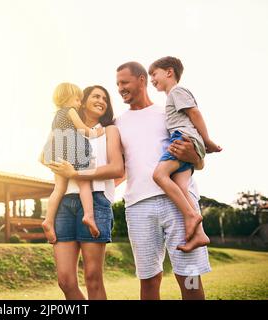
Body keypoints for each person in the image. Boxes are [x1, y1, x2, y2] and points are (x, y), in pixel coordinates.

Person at [115, 61, 211, 300]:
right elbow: (119, 169)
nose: (120, 88)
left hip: (177, 203)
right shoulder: (117, 124)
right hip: (138, 207)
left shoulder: (168, 111)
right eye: (117, 84)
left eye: (124, 82)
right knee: (148, 280)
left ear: (141, 81)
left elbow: (195, 157)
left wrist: (197, 159)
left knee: (189, 277)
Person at [46, 85, 124, 299]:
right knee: (65, 280)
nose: (101, 100)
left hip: (95, 201)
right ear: (82, 100)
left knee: (92, 277)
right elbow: (44, 156)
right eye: (95, 96)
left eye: (105, 98)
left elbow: (118, 169)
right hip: (63, 203)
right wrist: (59, 166)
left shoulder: (109, 131)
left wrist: (77, 173)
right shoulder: (65, 126)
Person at [149, 56, 221, 251]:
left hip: (182, 138)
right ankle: (200, 234)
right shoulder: (172, 96)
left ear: (169, 72)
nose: (152, 79)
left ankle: (191, 215)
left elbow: (195, 113)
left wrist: (207, 141)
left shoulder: (177, 91)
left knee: (159, 175)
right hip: (187, 139)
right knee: (181, 185)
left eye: (154, 74)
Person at [41, 82, 105, 244]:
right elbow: (83, 130)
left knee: (58, 188)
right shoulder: (70, 111)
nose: (79, 103)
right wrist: (97, 132)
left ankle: (48, 220)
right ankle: (89, 215)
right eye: (78, 100)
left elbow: (49, 144)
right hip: (74, 150)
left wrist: (47, 159)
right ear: (69, 99)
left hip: (58, 154)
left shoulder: (55, 117)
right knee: (84, 183)